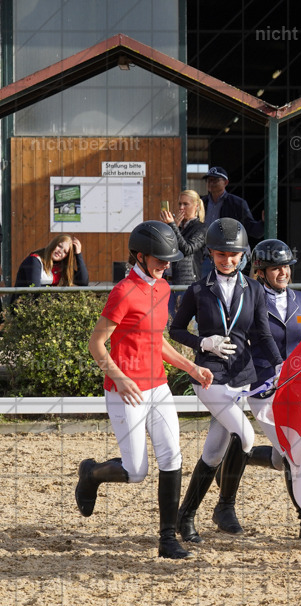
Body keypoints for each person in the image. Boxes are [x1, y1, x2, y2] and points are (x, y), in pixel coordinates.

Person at [75, 221, 213, 560]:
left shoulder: (163, 289)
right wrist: (119, 377)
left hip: (159, 388)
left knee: (172, 456)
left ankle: (167, 539)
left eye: (169, 260)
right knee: (136, 471)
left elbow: (157, 342)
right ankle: (91, 473)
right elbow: (96, 344)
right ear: (140, 256)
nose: (166, 266)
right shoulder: (123, 292)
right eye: (160, 260)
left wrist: (190, 366)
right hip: (126, 391)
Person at [170, 218, 283, 543]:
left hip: (241, 375)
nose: (227, 260)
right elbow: (175, 329)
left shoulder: (255, 289)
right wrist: (202, 342)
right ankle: (224, 507)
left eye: (233, 255)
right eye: (221, 254)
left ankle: (186, 516)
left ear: (242, 255)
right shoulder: (197, 289)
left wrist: (279, 364)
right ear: (211, 253)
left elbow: (261, 332)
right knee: (245, 435)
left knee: (214, 452)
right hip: (209, 375)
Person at [245, 238, 301, 541]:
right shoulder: (250, 299)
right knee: (295, 452)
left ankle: (243, 456)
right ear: (261, 271)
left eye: (286, 266)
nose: (283, 272)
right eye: (276, 267)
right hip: (265, 387)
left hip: (297, 389)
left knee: (290, 453)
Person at [159, 190, 206, 317]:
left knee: (185, 323)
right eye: (179, 204)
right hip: (167, 281)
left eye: (186, 204)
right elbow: (163, 249)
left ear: (196, 206)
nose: (181, 208)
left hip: (187, 283)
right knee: (167, 323)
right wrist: (169, 229)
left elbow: (187, 249)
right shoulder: (176, 226)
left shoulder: (201, 228)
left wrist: (172, 226)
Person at [201, 166, 264, 245]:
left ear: (226, 182)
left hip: (229, 252)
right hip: (205, 252)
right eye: (209, 180)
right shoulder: (201, 203)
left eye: (215, 180)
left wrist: (264, 223)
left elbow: (251, 229)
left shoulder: (237, 203)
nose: (211, 183)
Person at [15, 233, 89, 288]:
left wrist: (78, 254)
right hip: (24, 306)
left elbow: (83, 282)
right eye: (60, 246)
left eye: (65, 252)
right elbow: (35, 290)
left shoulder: (60, 265)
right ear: (53, 244)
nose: (60, 251)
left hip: (45, 306)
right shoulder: (34, 260)